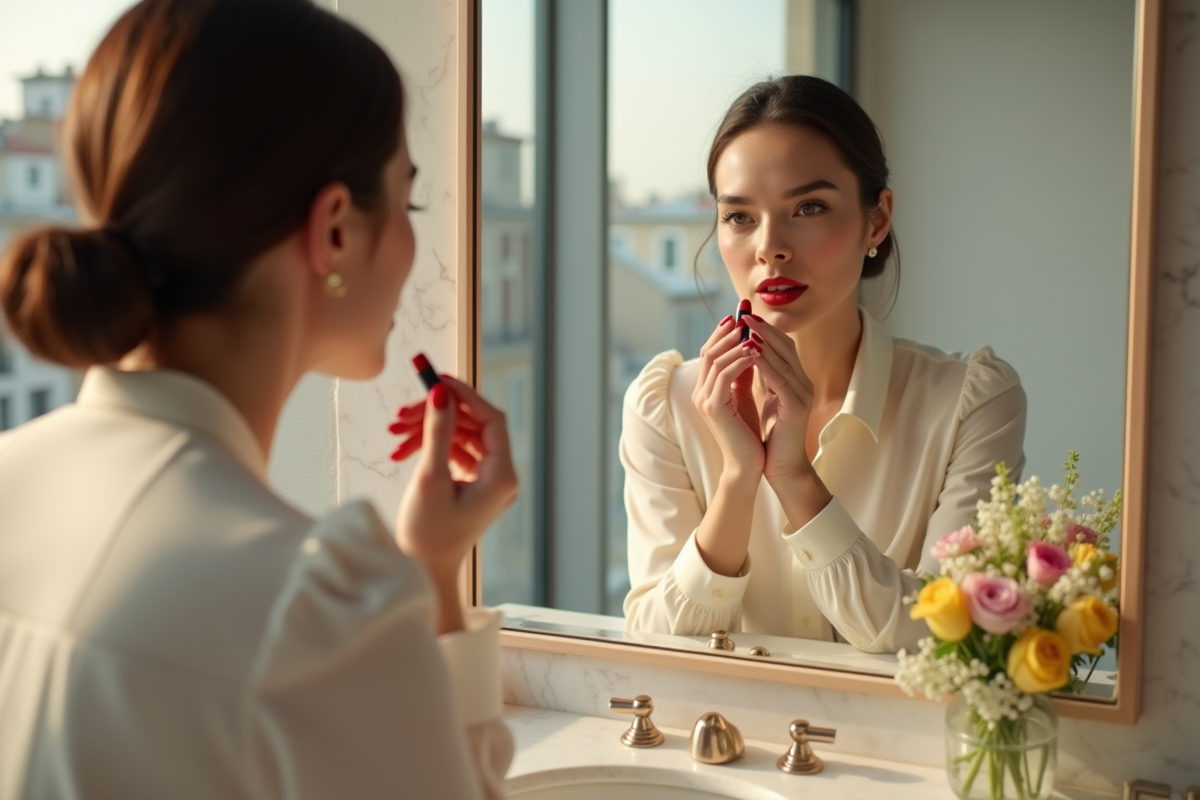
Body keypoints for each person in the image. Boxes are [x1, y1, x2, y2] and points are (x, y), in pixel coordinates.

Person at [0, 1, 516, 797]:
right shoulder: (318, 617)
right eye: (408, 203)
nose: (416, 243)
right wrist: (436, 582)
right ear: (336, 231)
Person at [621, 76, 1027, 654]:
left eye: (808, 207)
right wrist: (738, 480)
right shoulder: (663, 407)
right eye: (739, 217)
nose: (770, 247)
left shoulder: (971, 406)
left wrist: (794, 478)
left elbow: (943, 643)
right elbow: (655, 650)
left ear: (877, 220)